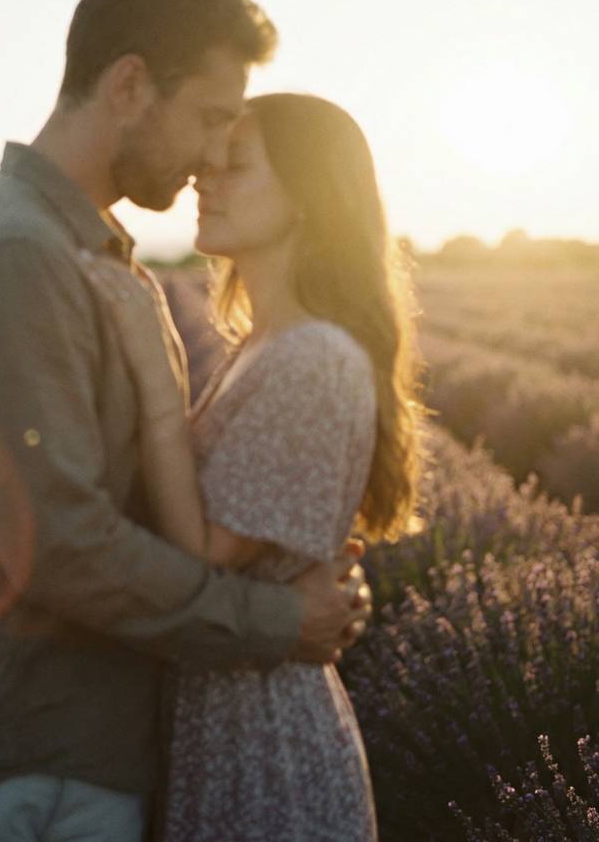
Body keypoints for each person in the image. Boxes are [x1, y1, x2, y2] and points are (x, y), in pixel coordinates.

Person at [0, 0, 375, 842]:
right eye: (207, 118)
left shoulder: (97, 259)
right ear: (129, 86)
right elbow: (60, 544)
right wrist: (275, 619)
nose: (207, 157)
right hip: (30, 767)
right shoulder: (20, 258)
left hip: (80, 756)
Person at [82, 93, 425, 841]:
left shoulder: (311, 356)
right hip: (226, 710)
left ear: (308, 198)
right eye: (209, 164)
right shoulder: (268, 344)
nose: (206, 180)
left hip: (264, 743)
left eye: (235, 167)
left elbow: (204, 552)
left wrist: (153, 369)